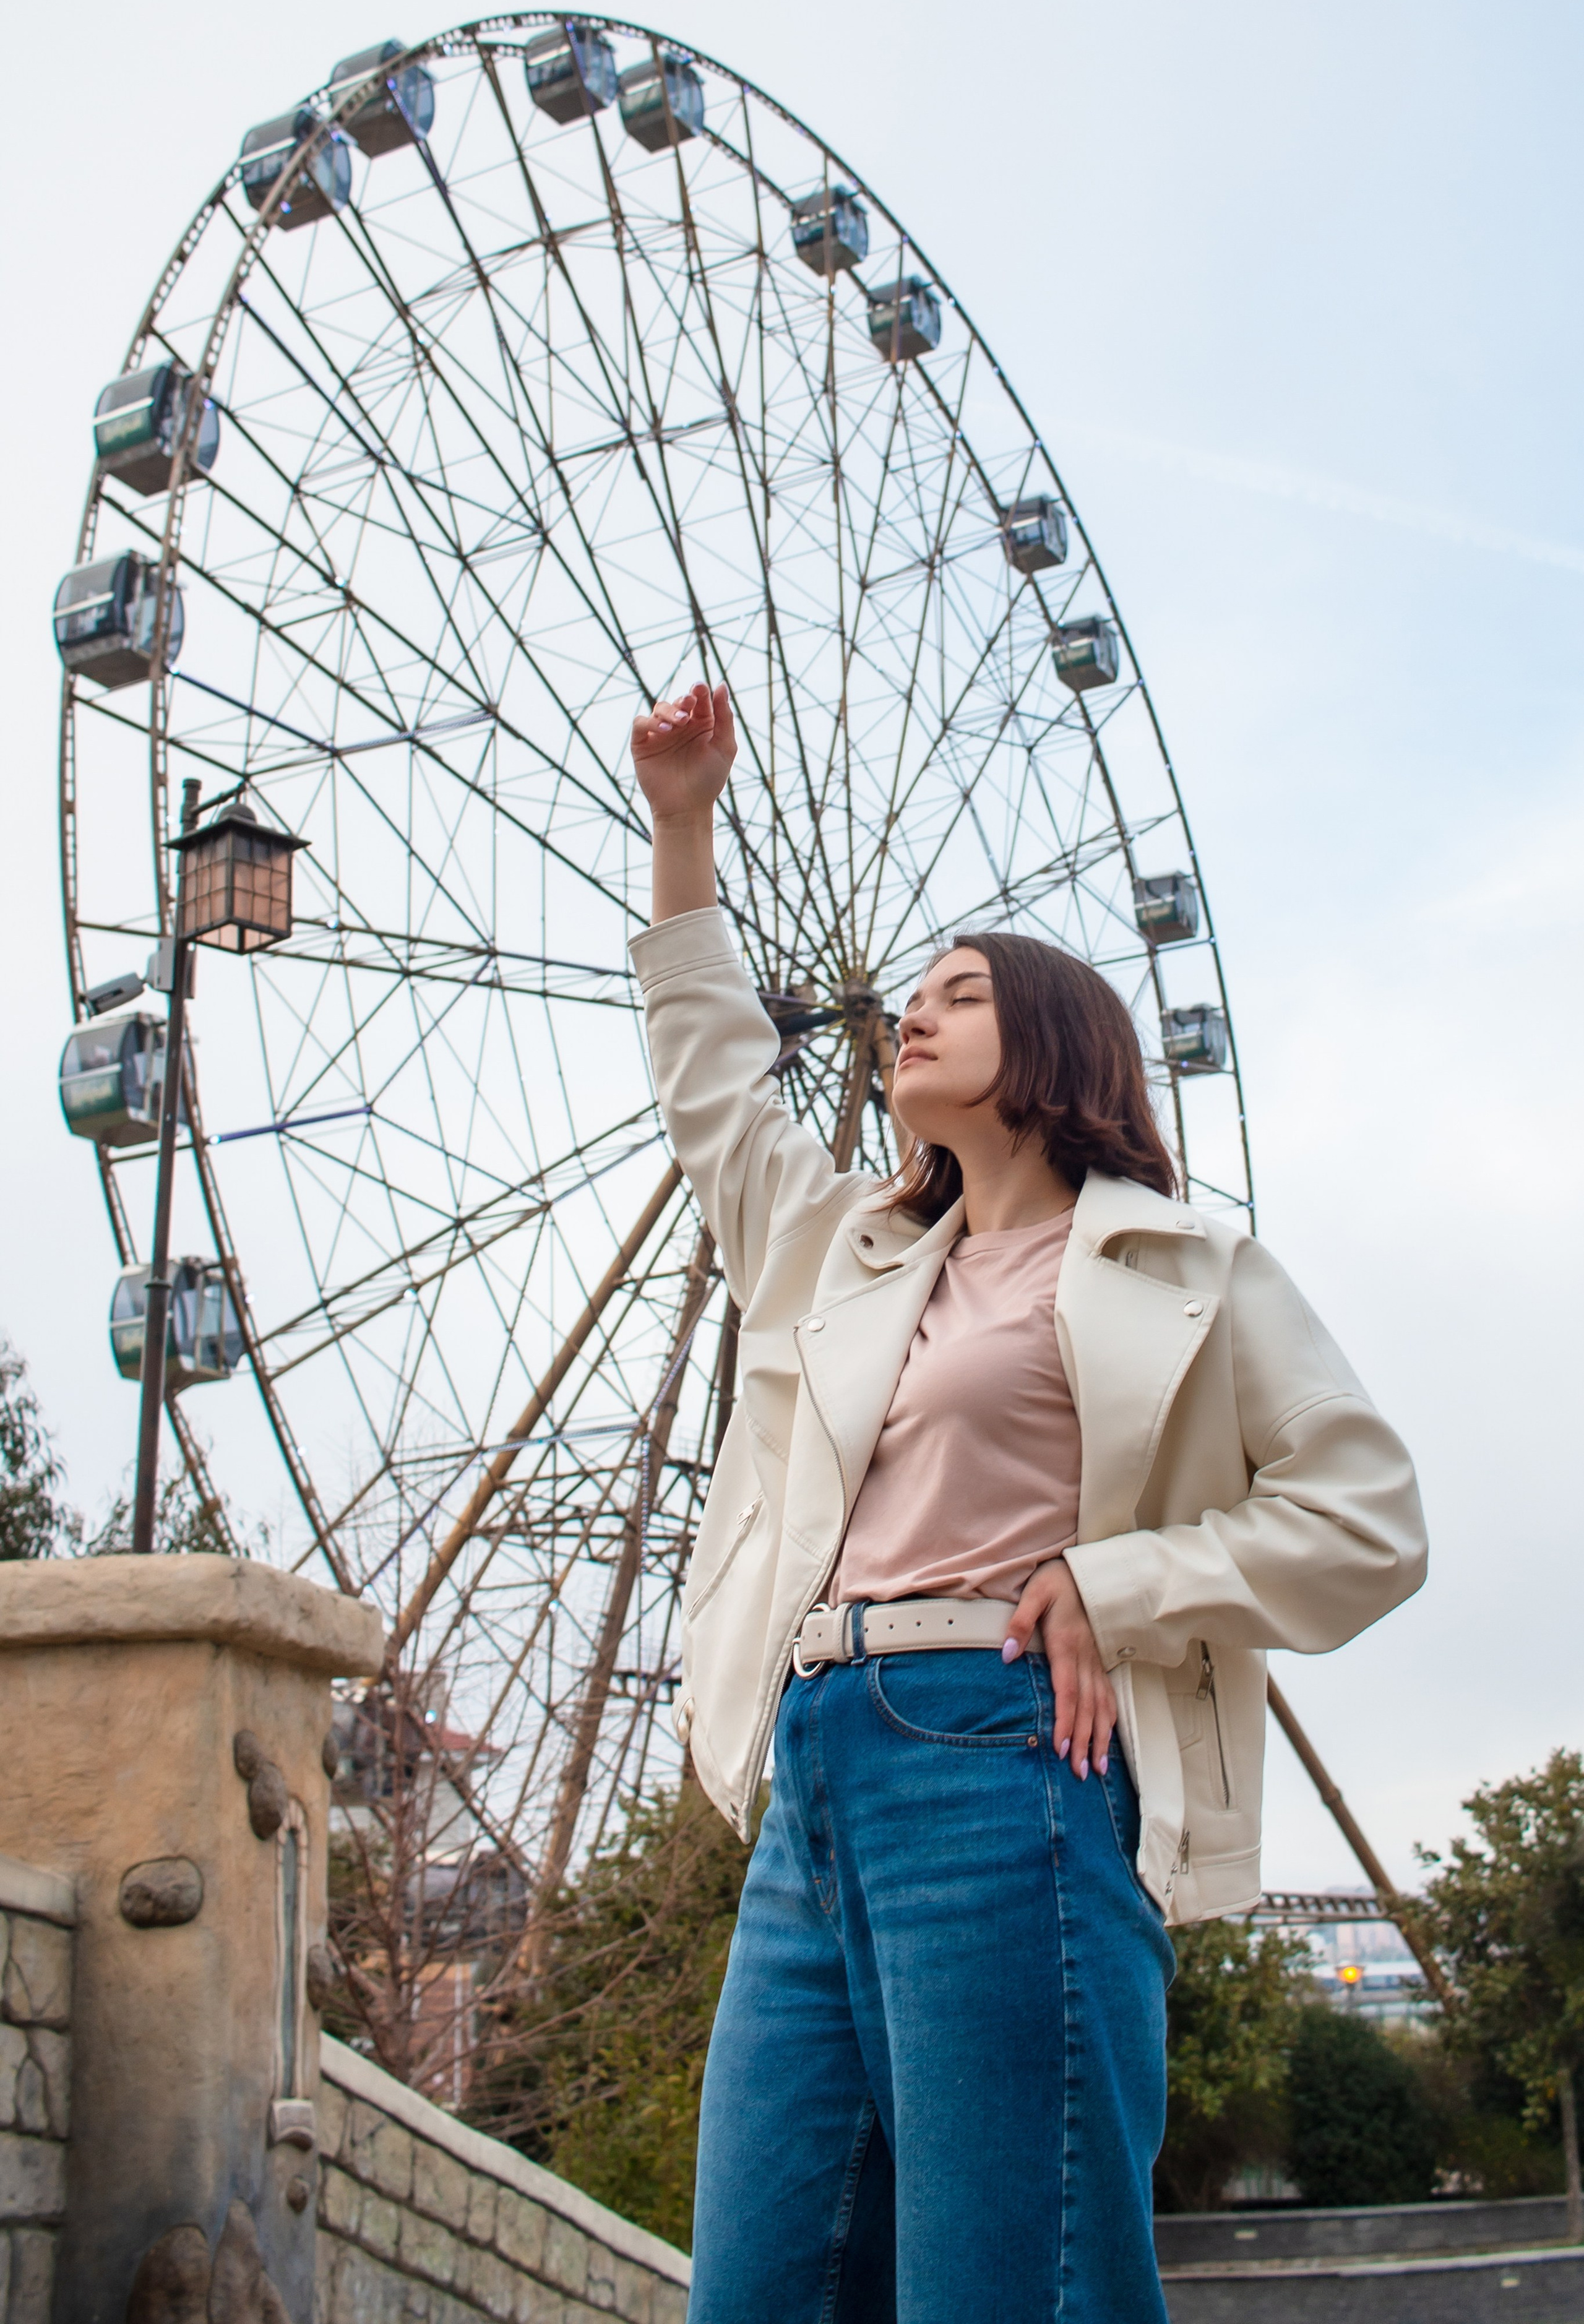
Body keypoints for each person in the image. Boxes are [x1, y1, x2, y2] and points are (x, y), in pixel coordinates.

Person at [627, 680, 1427, 2324]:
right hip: (814, 1777)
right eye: (914, 991)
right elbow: (715, 1090)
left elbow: (1369, 1515)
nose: (914, 1012)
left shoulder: (1180, 1264)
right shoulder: (844, 1248)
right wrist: (683, 826)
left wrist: (1119, 1583)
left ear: (1052, 1043)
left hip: (1007, 1763)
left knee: (1006, 2288)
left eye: (962, 993)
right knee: (757, 2292)